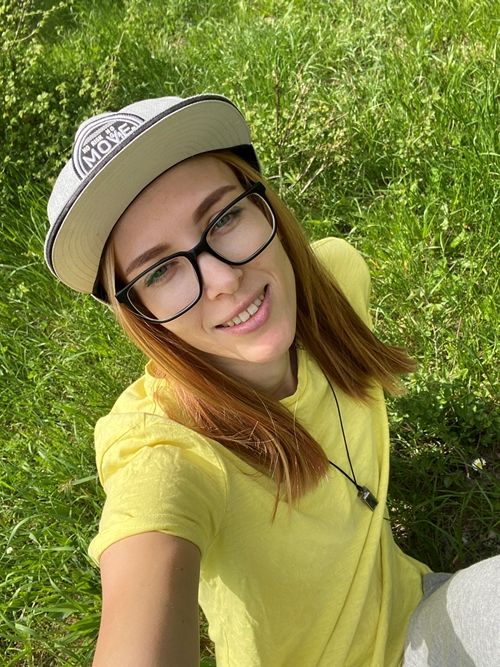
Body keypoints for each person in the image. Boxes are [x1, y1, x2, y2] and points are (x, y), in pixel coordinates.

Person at [45, 94, 499, 666]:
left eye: (223, 218)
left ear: (265, 207)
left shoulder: (339, 281)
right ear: (140, 314)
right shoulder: (164, 450)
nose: (223, 280)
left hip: (416, 611)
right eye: (159, 271)